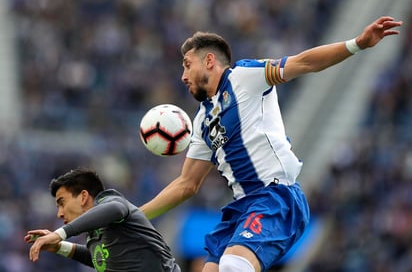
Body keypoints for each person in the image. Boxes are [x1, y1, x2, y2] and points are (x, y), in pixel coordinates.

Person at [139, 16, 403, 272]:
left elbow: (304, 63)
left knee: (234, 265)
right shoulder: (202, 121)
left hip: (277, 197)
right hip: (242, 208)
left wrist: (357, 43)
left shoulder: (244, 76)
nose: (183, 75)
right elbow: (186, 184)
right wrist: (136, 217)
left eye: (187, 64)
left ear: (209, 60)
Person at [25, 168, 181, 272]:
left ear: (84, 197)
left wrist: (60, 234)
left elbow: (116, 209)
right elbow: (100, 259)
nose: (59, 213)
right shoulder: (95, 231)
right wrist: (59, 247)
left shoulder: (110, 201)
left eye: (62, 203)